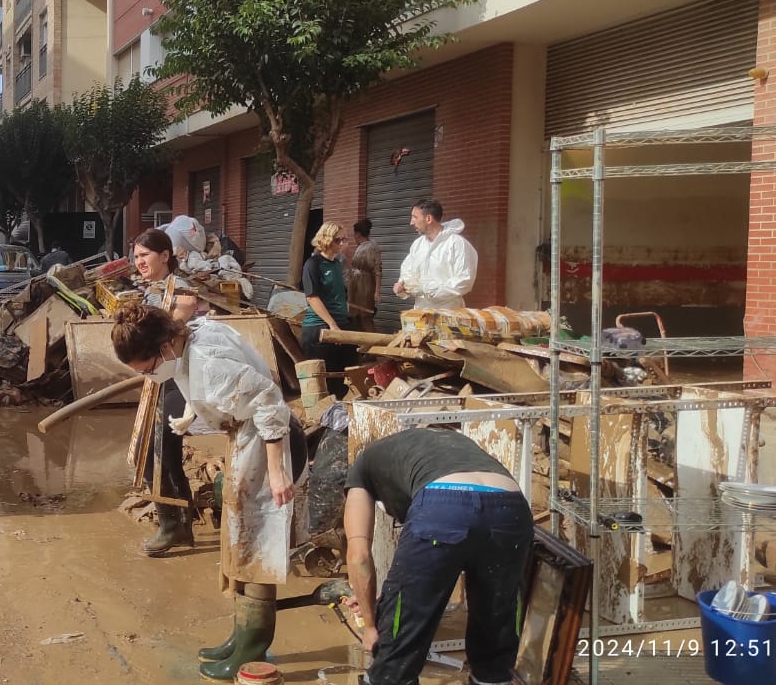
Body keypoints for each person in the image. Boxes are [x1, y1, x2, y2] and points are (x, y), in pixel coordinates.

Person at [111, 301, 306, 680]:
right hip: (248, 436)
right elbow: (200, 379)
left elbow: (269, 400)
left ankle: (254, 647)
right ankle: (240, 636)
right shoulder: (189, 336)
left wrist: (278, 470)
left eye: (148, 369)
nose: (150, 377)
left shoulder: (208, 363)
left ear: (163, 346)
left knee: (257, 544)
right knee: (239, 538)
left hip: (270, 440)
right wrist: (190, 415)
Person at [342, 429, 530, 685]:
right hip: (512, 505)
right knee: (496, 637)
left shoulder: (361, 468)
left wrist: (371, 626)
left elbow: (359, 556)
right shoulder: (440, 447)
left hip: (443, 502)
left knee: (399, 642)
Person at [128, 228, 202, 557]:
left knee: (154, 453)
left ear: (165, 256)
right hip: (157, 380)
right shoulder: (149, 292)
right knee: (163, 455)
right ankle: (181, 526)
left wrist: (150, 330)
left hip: (180, 383)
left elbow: (176, 321)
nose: (139, 261)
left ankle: (171, 526)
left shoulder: (181, 289)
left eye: (145, 255)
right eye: (136, 257)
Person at [301, 223, 356, 398]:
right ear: (325, 240)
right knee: (325, 383)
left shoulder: (337, 264)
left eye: (344, 239)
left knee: (343, 379)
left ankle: (338, 417)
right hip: (319, 329)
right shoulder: (313, 264)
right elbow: (312, 297)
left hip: (340, 325)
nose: (342, 243)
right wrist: (332, 325)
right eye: (337, 240)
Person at [394, 199, 477, 310]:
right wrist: (402, 285)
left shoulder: (456, 244)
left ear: (428, 219)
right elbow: (408, 272)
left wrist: (429, 290)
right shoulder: (418, 245)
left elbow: (464, 281)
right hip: (420, 314)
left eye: (415, 217)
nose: (411, 222)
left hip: (448, 314)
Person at [346, 219, 382, 333]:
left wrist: (377, 291)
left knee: (366, 317)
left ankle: (372, 345)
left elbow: (377, 270)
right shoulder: (360, 247)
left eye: (354, 233)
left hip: (365, 286)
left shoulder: (372, 246)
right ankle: (362, 345)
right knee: (356, 317)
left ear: (357, 234)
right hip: (355, 286)